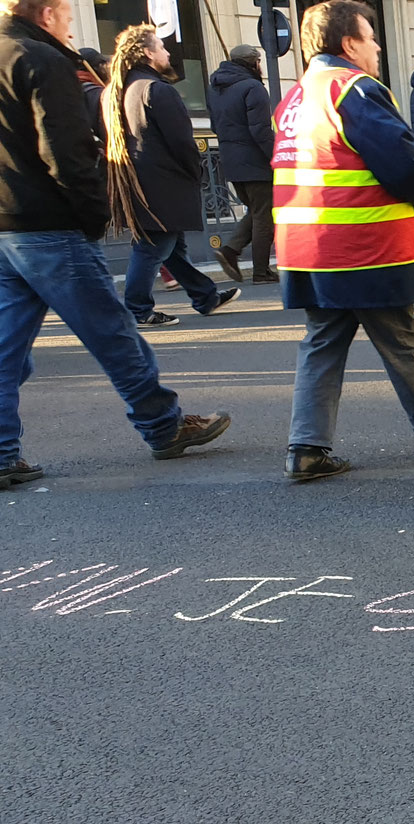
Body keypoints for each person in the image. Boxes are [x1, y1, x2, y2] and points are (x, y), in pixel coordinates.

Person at [0, 0, 231, 487]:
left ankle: (1, 450)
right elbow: (67, 149)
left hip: (6, 226)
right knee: (113, 333)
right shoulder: (43, 60)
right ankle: (163, 425)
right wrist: (91, 217)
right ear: (46, 14)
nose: (68, 23)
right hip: (49, 222)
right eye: (64, 13)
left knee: (7, 347)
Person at [273, 0, 414, 482]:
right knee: (402, 337)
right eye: (371, 37)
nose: (376, 46)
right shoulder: (353, 89)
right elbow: (401, 164)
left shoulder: (296, 97)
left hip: (307, 247)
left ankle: (305, 447)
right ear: (349, 43)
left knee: (323, 340)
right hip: (362, 245)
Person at [104, 25, 239, 328]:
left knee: (171, 246)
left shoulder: (120, 90)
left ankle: (205, 296)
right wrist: (196, 172)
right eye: (162, 48)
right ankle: (138, 309)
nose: (167, 53)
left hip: (140, 181)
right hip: (164, 184)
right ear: (148, 53)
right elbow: (182, 142)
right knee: (153, 248)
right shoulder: (158, 90)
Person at [206, 44, 276, 284]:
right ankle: (261, 271)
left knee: (257, 211)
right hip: (255, 162)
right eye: (259, 62)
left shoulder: (215, 89)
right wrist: (275, 156)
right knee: (264, 216)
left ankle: (230, 251)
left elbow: (215, 126)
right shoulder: (254, 87)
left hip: (230, 160)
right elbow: (261, 130)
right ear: (254, 63)